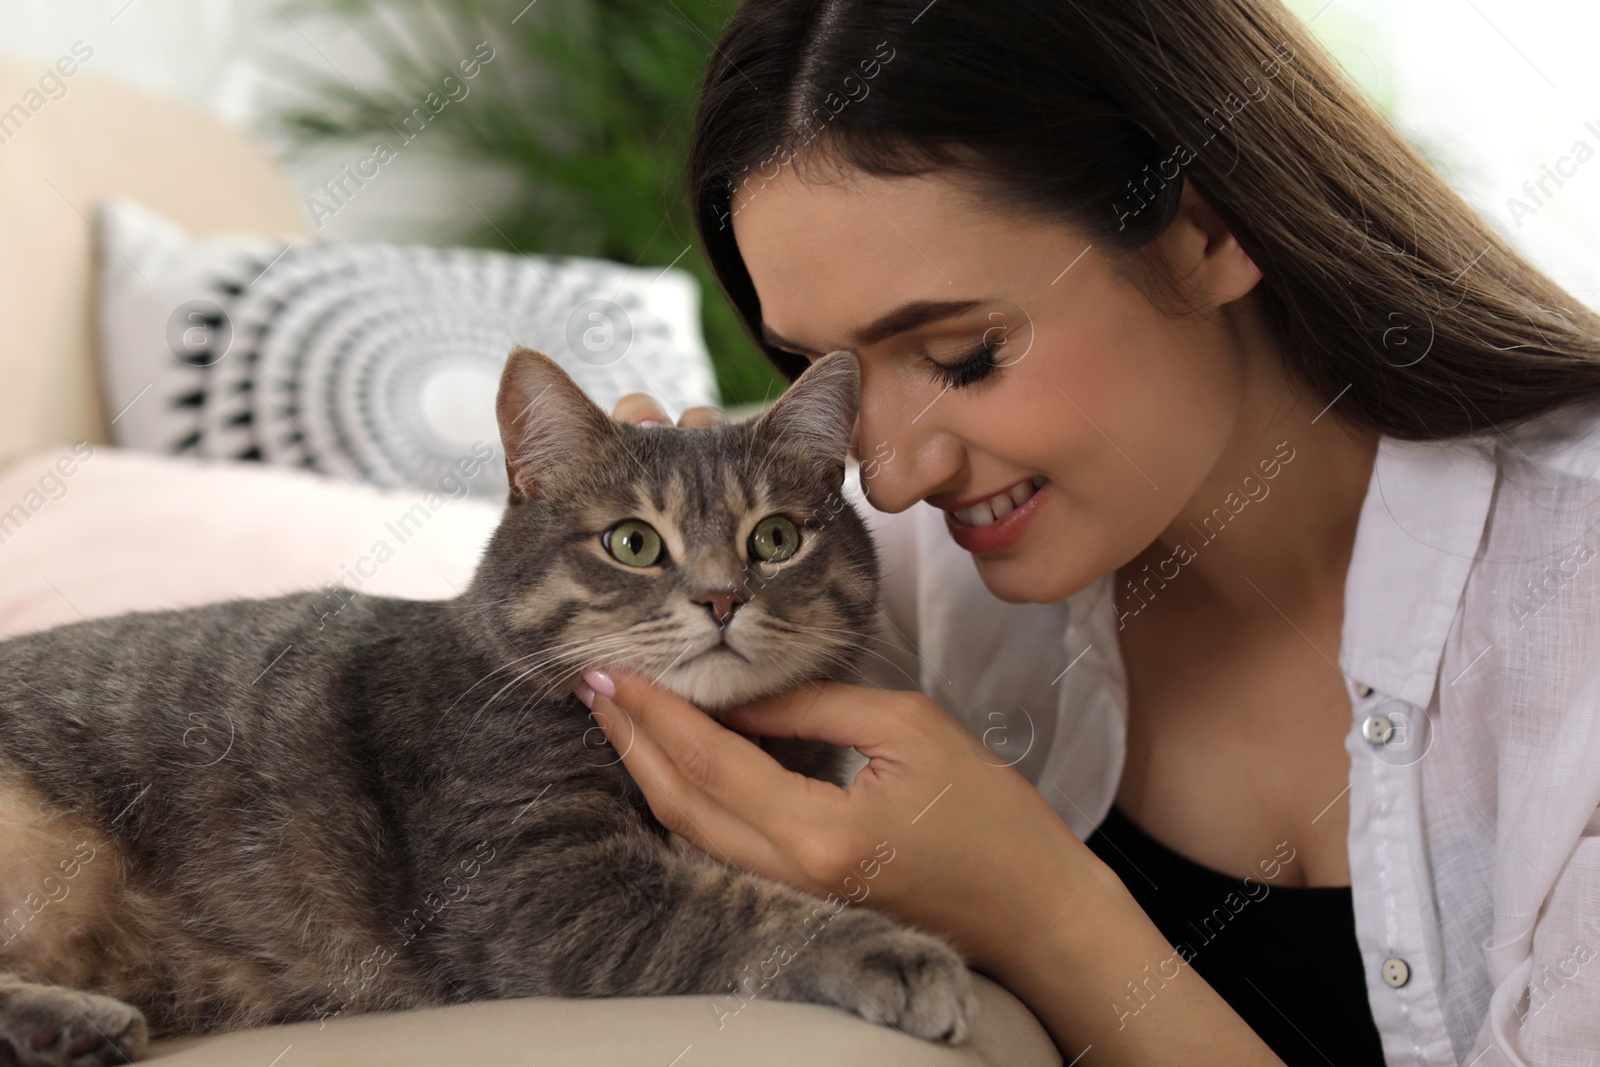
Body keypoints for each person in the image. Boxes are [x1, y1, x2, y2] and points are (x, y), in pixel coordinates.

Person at [572, 0, 1600, 1062]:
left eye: (964, 352)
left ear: (1205, 228)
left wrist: (1049, 914)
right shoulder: (914, 588)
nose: (887, 472)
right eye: (815, 373)